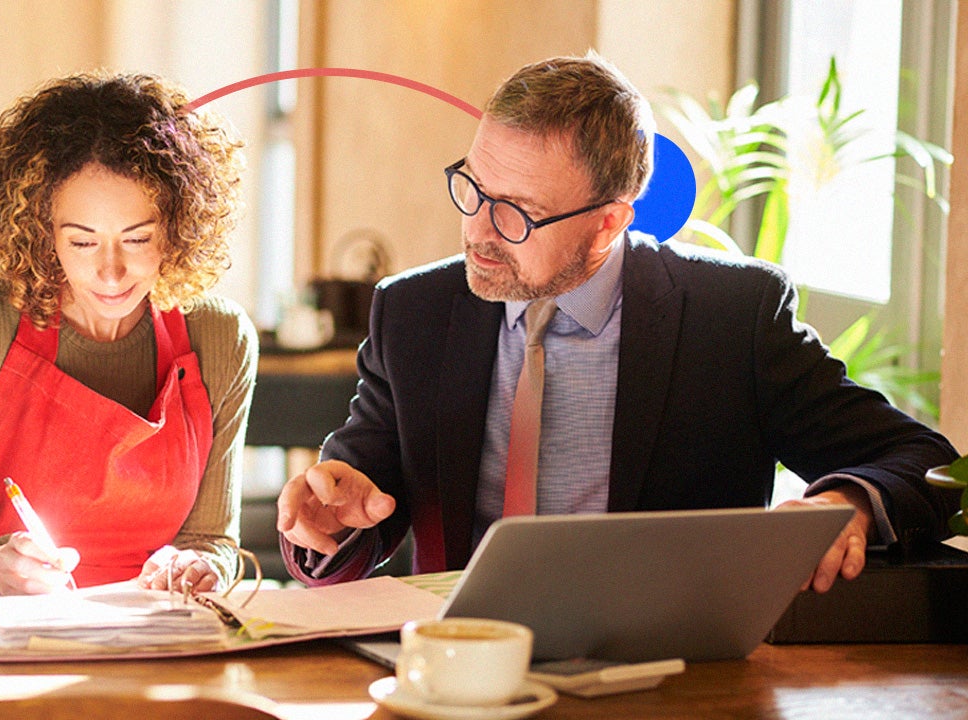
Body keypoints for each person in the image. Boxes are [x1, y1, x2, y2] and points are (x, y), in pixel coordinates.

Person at [276, 52, 960, 592]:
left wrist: (850, 502)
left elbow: (925, 464)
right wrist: (326, 521)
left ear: (609, 223)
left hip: (670, 677)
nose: (478, 231)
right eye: (472, 188)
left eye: (515, 211)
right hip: (459, 672)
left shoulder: (730, 318)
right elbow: (356, 496)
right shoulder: (414, 312)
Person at [0, 71, 255, 602]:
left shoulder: (219, 337)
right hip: (1, 644)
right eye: (83, 242)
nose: (111, 272)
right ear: (43, 234)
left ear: (179, 229)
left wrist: (202, 565)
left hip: (160, 643)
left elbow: (213, 540)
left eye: (137, 238)